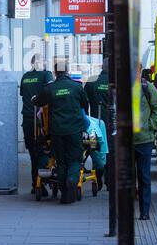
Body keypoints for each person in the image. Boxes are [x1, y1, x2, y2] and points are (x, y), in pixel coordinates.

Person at [32, 59, 89, 204]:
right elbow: (84, 104)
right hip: (74, 129)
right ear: (67, 71)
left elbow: (38, 101)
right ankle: (72, 179)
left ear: (55, 72)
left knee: (61, 162)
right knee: (75, 159)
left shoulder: (50, 88)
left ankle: (65, 196)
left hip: (57, 131)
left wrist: (34, 99)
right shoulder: (77, 87)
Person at [20, 54, 54, 195]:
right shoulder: (46, 75)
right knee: (46, 151)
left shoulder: (25, 77)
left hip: (28, 119)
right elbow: (51, 93)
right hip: (43, 121)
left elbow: (24, 95)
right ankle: (45, 180)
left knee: (33, 154)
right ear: (41, 63)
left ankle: (36, 184)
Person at [135, 77, 157, 220]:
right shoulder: (119, 86)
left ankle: (144, 211)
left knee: (144, 176)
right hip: (125, 141)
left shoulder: (147, 87)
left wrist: (150, 125)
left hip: (144, 140)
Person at [84, 58, 109, 189]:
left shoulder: (92, 80)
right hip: (111, 125)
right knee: (109, 151)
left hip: (94, 127)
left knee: (94, 149)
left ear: (101, 67)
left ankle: (97, 178)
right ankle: (109, 181)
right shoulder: (115, 82)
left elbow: (83, 102)